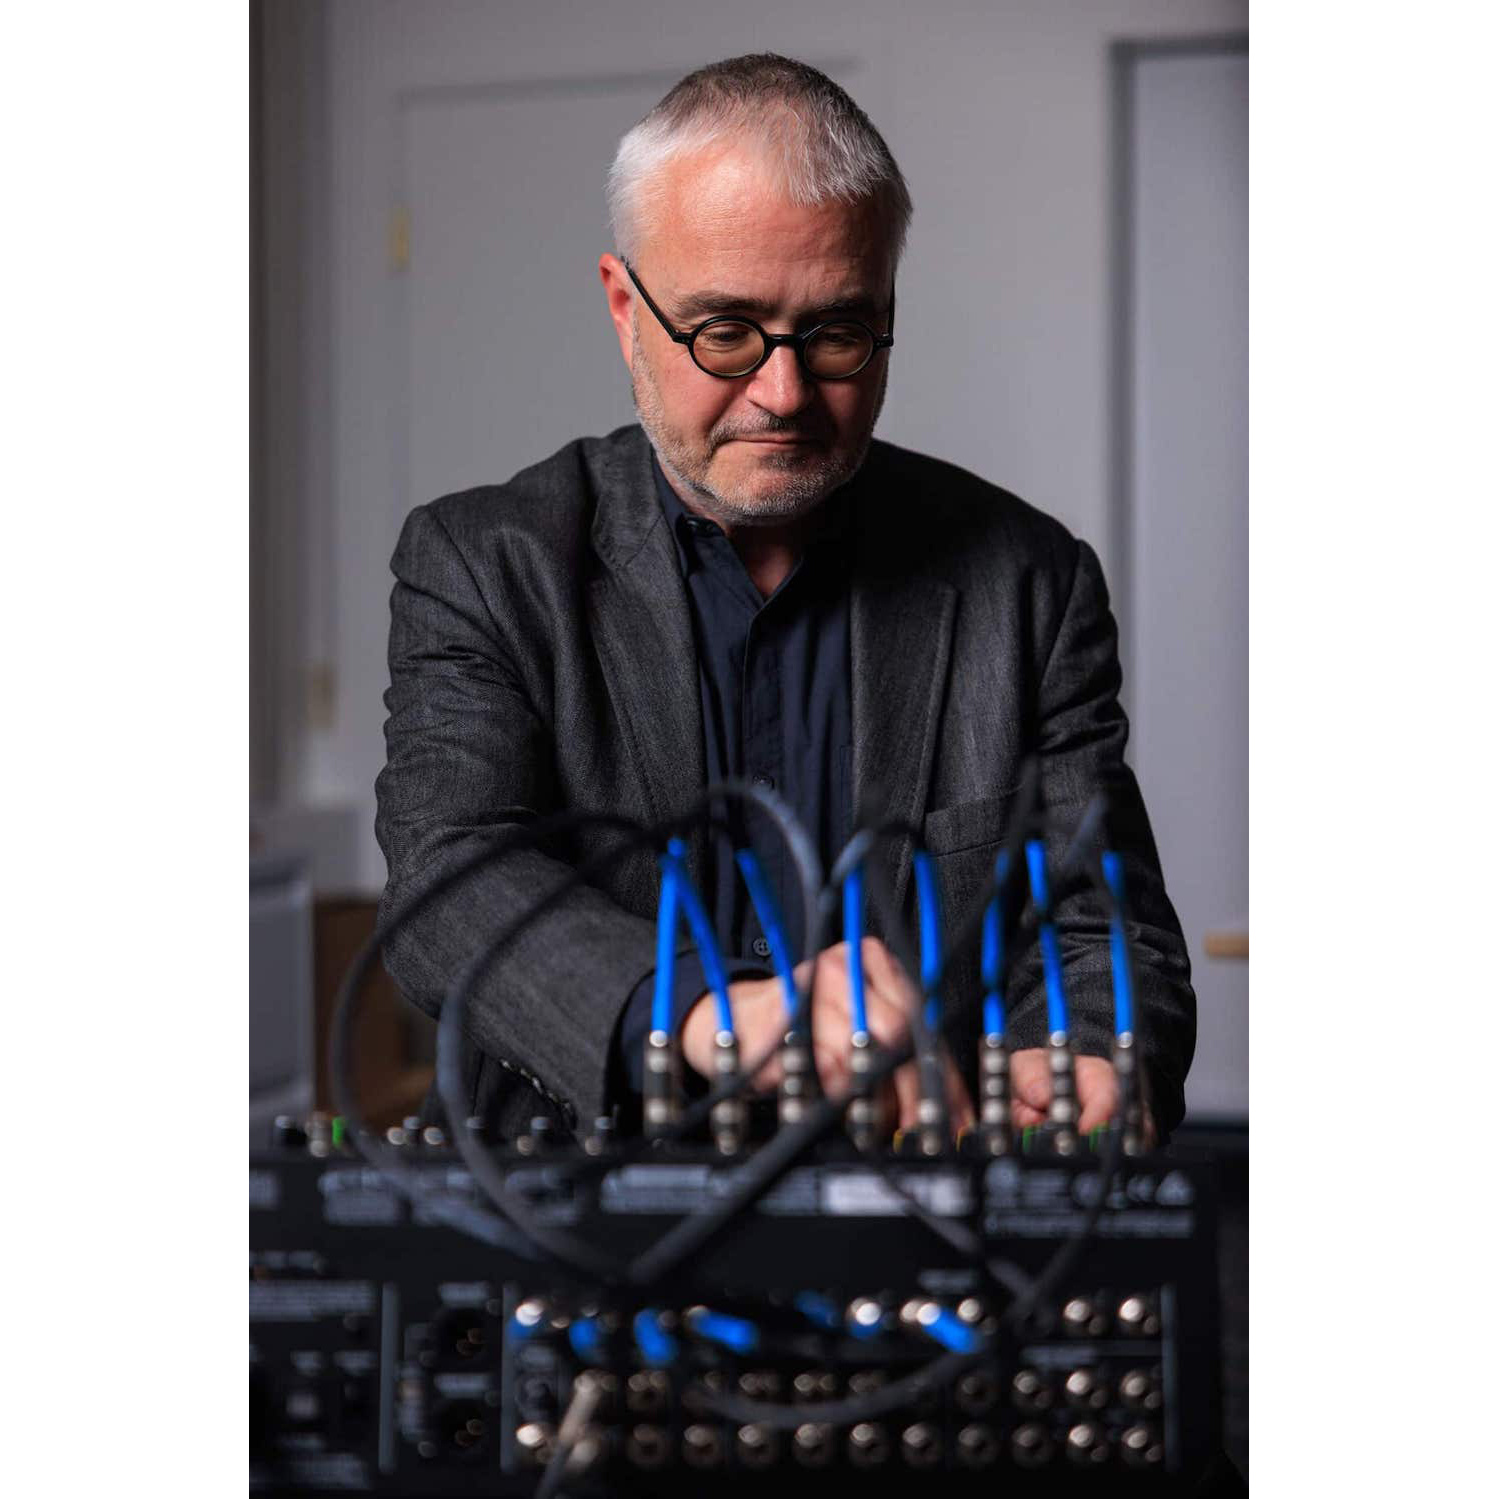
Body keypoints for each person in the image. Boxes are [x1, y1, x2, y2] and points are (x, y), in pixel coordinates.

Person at [375, 54, 1195, 1148]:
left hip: (923, 1239)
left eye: (837, 333)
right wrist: (708, 1018)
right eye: (723, 332)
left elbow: (1097, 924)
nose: (783, 394)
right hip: (576, 1242)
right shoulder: (482, 562)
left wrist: (1086, 1050)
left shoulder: (1027, 583)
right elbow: (452, 882)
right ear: (626, 309)